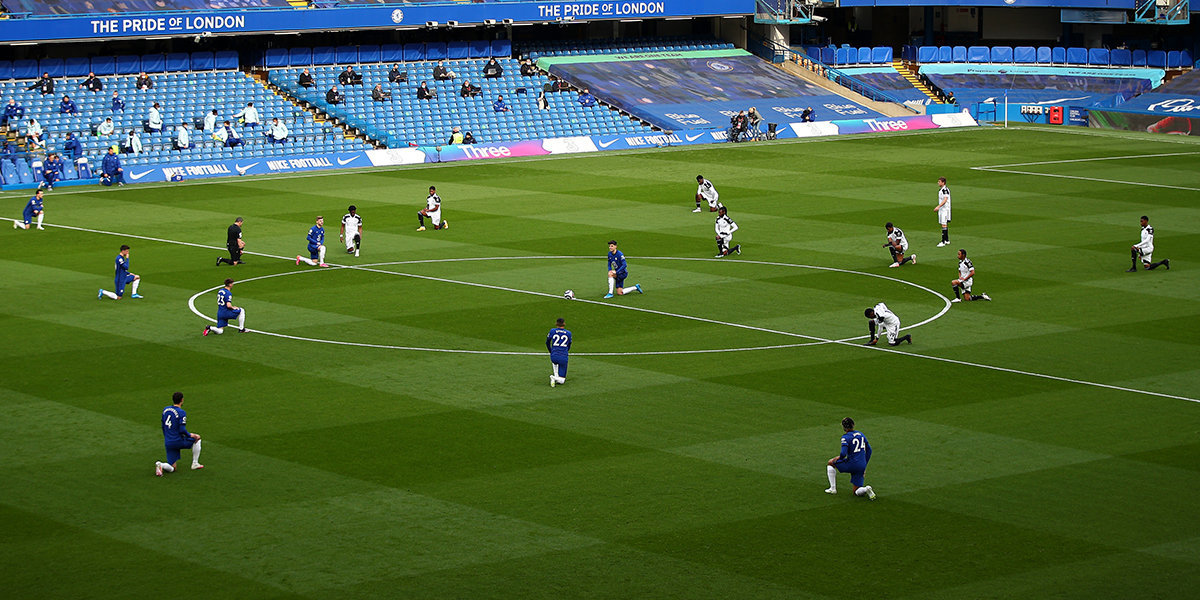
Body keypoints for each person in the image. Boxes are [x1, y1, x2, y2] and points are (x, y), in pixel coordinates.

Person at [824, 417, 875, 499]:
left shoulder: (845, 437)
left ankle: (832, 488)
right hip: (861, 465)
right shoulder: (860, 434)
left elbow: (843, 453)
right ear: (853, 425)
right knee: (856, 491)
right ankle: (866, 489)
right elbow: (869, 450)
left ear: (844, 427)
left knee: (830, 463)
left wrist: (839, 458)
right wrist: (864, 464)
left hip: (851, 464)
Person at [154, 392, 203, 477]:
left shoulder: (165, 410)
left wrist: (167, 436)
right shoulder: (181, 412)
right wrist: (190, 435)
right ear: (182, 400)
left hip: (168, 441)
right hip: (177, 441)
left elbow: (163, 425)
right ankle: (195, 463)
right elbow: (182, 430)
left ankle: (160, 464)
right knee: (197, 438)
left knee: (173, 468)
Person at [546, 317, 572, 387]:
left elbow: (547, 342)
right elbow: (569, 345)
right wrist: (565, 351)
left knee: (555, 363)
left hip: (554, 356)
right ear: (564, 324)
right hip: (563, 357)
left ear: (556, 324)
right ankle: (553, 377)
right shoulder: (568, 333)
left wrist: (551, 351)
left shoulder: (552, 331)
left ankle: (555, 377)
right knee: (562, 380)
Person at [934, 176, 951, 247]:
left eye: (939, 182)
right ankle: (947, 240)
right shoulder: (942, 190)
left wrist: (938, 206)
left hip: (944, 210)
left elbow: (945, 199)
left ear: (943, 183)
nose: (938, 183)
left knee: (943, 224)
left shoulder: (945, 190)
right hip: (943, 209)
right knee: (944, 224)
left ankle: (943, 241)